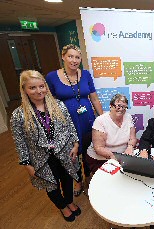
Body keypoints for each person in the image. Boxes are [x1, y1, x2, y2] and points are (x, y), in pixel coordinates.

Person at [10, 70, 81, 222]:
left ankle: (69, 201)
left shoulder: (58, 105)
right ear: (24, 90)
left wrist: (75, 144)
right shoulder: (18, 115)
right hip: (41, 158)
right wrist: (26, 164)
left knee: (67, 178)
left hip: (64, 151)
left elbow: (70, 126)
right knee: (51, 184)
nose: (38, 91)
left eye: (41, 86)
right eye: (32, 88)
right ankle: (63, 206)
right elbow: (20, 142)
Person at [46, 44, 103, 196]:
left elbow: (94, 98)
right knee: (72, 154)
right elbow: (49, 102)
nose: (74, 60)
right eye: (70, 56)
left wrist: (103, 118)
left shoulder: (85, 74)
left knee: (88, 150)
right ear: (63, 56)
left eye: (77, 57)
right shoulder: (52, 77)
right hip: (67, 123)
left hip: (87, 120)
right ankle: (77, 181)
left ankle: (89, 176)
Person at [86, 94, 137, 174]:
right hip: (101, 159)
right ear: (111, 106)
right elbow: (98, 148)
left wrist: (130, 147)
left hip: (123, 156)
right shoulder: (100, 121)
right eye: (118, 106)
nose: (121, 109)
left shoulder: (128, 117)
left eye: (124, 107)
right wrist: (114, 157)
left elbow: (133, 138)